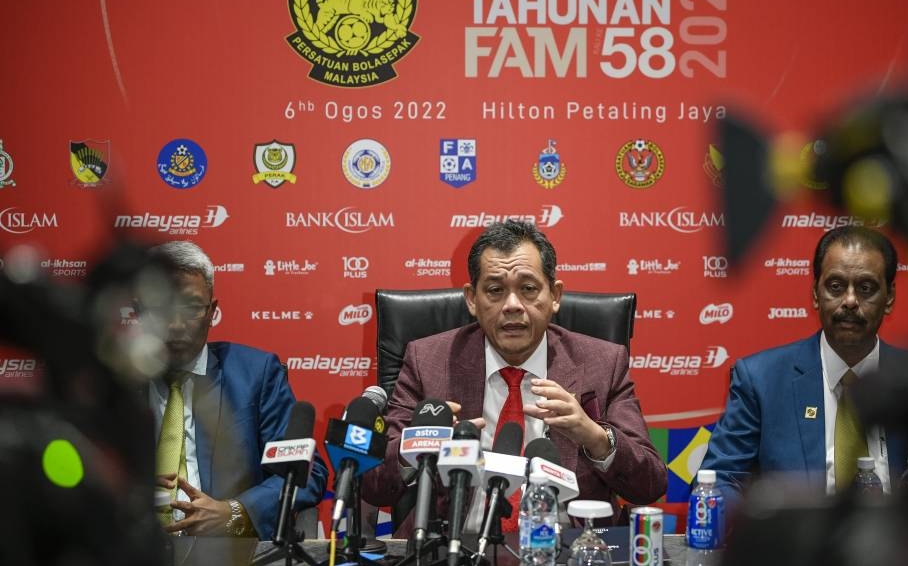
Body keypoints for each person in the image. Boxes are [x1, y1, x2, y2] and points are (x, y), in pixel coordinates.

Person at [362, 220, 667, 530]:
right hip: (454, 546)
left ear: (555, 295)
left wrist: (595, 437)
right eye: (495, 290)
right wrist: (419, 445)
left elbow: (650, 485)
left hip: (569, 550)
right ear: (471, 299)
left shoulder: (603, 363)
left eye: (528, 289)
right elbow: (373, 486)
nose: (512, 306)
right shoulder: (427, 361)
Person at [700, 225, 908, 505]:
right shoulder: (761, 380)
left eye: (866, 288)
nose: (850, 301)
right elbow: (718, 480)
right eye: (836, 286)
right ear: (816, 294)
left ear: (889, 297)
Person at [143, 241, 328, 538]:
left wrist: (235, 512)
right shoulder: (113, 383)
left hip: (228, 554)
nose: (176, 324)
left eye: (191, 307)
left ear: (211, 311)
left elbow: (307, 475)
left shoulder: (255, 374)